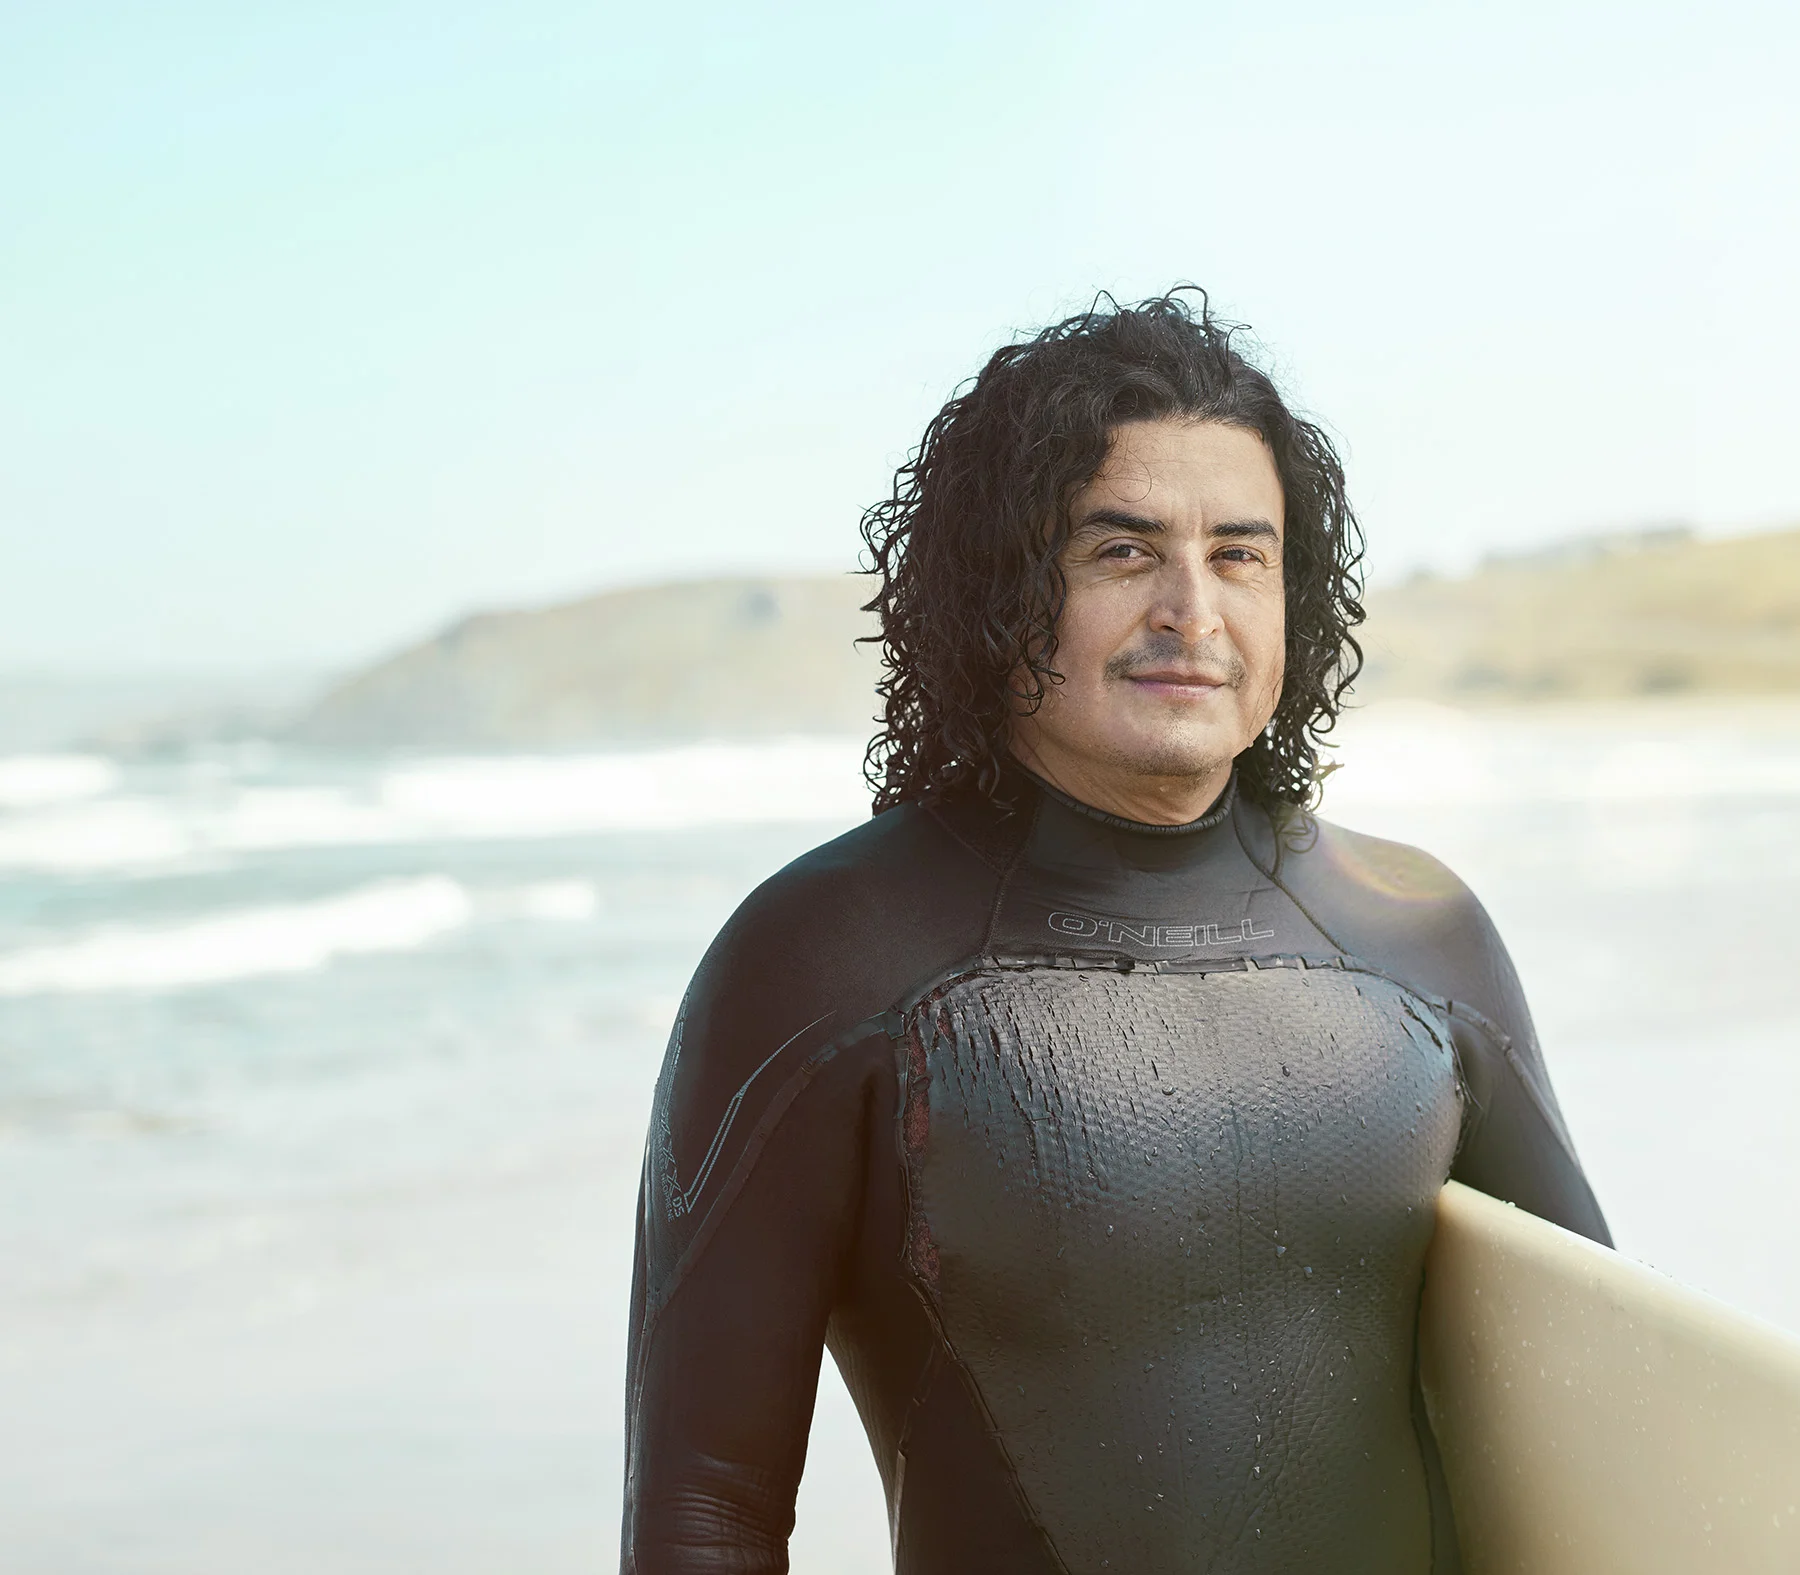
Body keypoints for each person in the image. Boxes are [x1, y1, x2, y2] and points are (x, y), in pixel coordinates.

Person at [622, 291, 1609, 1574]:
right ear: (1000, 590)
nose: (1192, 611)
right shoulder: (829, 957)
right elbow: (706, 1507)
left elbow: (1599, 1402)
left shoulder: (1419, 933)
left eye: (1241, 555)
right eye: (1122, 551)